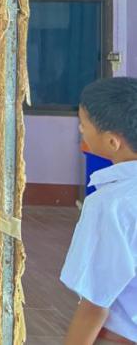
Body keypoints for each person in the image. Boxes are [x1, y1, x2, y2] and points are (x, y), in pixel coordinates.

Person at [60, 77, 137, 345]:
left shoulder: (108, 204)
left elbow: (95, 303)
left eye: (85, 124)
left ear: (113, 142)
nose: (81, 130)